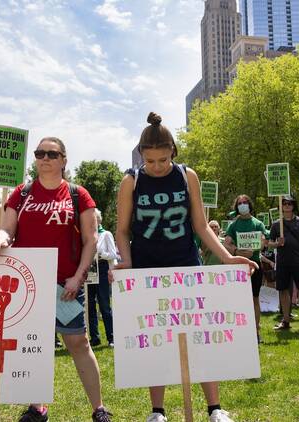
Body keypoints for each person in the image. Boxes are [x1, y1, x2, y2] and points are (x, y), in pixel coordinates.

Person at [115, 112, 254, 422]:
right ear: (141, 156)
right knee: (156, 338)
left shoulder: (187, 175)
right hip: (148, 268)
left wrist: (228, 258)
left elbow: (201, 226)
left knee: (199, 335)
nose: (157, 167)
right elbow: (122, 229)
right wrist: (126, 261)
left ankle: (215, 408)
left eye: (163, 160)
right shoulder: (131, 180)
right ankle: (157, 411)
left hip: (186, 263)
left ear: (173, 152)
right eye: (150, 161)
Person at [0, 137, 111, 422]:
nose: (45, 158)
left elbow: (91, 240)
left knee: (78, 343)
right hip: (27, 284)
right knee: (33, 343)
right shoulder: (22, 192)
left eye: (52, 154)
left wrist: (78, 278)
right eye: (40, 153)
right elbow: (6, 230)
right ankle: (37, 407)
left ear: (64, 159)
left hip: (65, 284)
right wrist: (0, 240)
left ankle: (99, 409)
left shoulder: (78, 195)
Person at [224, 194, 268, 342]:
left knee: (255, 299)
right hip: (238, 267)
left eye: (245, 202)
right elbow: (227, 244)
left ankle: (256, 332)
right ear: (237, 207)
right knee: (239, 300)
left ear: (249, 205)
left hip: (255, 265)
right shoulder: (233, 225)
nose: (243, 205)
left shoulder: (257, 223)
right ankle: (240, 331)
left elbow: (263, 241)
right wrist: (236, 252)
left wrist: (255, 250)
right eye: (240, 203)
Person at [268, 197, 299, 331]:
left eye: (289, 203)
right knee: (283, 291)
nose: (287, 206)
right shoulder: (276, 224)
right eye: (284, 204)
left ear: (293, 206)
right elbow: (269, 244)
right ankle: (286, 320)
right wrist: (277, 243)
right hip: (282, 262)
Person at [88, 209, 117, 348]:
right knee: (90, 305)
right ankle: (95, 338)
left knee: (104, 305)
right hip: (90, 270)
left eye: (94, 218)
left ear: (99, 219)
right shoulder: (87, 235)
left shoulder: (106, 234)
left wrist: (101, 254)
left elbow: (113, 254)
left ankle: (111, 337)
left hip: (103, 268)